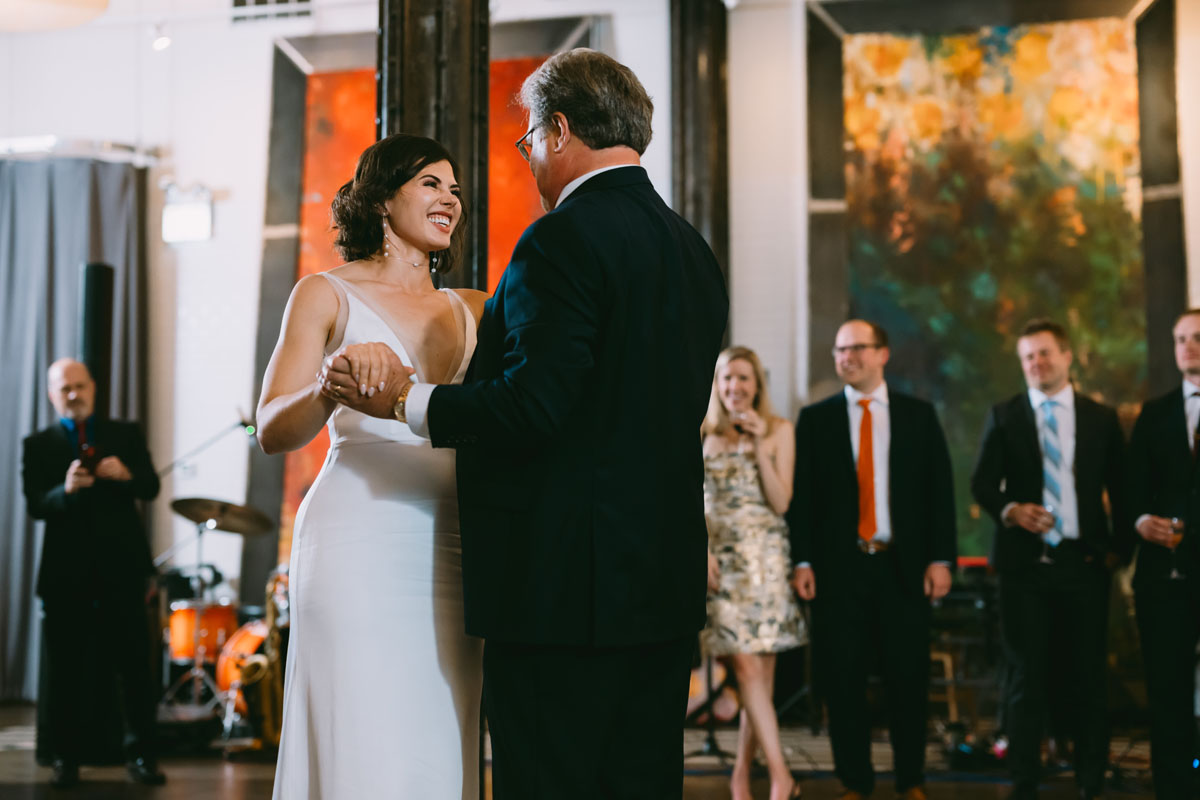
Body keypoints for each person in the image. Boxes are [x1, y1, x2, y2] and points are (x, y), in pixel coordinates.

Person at [321, 49, 728, 799]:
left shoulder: (560, 238)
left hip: (563, 592)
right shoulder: (691, 249)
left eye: (529, 140)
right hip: (658, 585)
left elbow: (534, 406)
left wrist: (405, 402)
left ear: (559, 130)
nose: (531, 157)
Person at [256, 133, 488, 799]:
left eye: (455, 188)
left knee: (442, 732)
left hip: (453, 542)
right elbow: (271, 429)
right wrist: (328, 387)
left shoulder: (474, 308)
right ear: (383, 200)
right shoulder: (323, 294)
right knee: (362, 725)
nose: (451, 198)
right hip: (357, 537)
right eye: (431, 184)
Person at [786, 320, 956, 800]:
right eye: (840, 350)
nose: (846, 357)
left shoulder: (918, 416)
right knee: (842, 682)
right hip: (840, 573)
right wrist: (802, 562)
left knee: (908, 680)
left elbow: (939, 494)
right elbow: (805, 504)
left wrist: (941, 559)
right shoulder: (815, 420)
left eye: (857, 348)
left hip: (903, 569)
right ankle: (854, 782)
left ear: (883, 354)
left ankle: (911, 781)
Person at [970, 319, 1126, 800]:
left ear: (1067, 356)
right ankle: (1023, 782)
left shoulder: (1101, 418)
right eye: (1027, 358)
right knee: (1025, 679)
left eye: (1044, 354)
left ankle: (1090, 779)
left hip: (1084, 565)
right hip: (1024, 570)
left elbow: (1123, 488)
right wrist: (1011, 510)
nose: (1036, 364)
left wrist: (1117, 553)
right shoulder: (1005, 414)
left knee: (1088, 677)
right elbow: (981, 485)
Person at [21, 358, 165, 789]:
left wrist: (126, 474)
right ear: (51, 394)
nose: (73, 394)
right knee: (65, 672)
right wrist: (63, 492)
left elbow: (151, 487)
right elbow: (34, 505)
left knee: (135, 670)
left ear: (93, 388)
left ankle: (142, 755)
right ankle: (65, 758)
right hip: (66, 577)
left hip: (122, 571)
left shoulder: (125, 434)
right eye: (64, 388)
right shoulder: (38, 444)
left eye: (79, 385)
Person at [700, 346, 805, 800]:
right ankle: (782, 776)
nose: (734, 387)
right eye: (726, 379)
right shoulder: (702, 432)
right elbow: (689, 502)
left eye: (743, 379)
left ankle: (741, 777)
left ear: (757, 385)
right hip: (720, 564)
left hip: (766, 562)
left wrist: (759, 444)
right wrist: (701, 551)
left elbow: (782, 502)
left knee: (758, 680)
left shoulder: (780, 431)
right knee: (743, 668)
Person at [1124, 309, 1200, 800]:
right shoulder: (1154, 414)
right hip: (1165, 578)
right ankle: (1175, 788)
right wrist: (1139, 521)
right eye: (1180, 339)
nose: (1188, 346)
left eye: (1196, 337)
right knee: (1168, 693)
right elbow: (1131, 490)